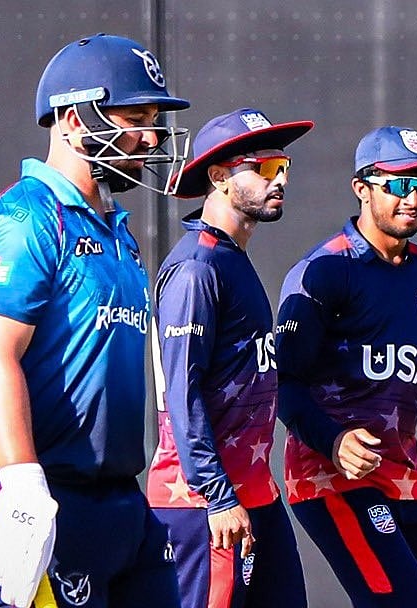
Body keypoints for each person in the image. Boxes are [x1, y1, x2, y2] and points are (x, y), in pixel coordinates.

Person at [0, 34, 190, 608]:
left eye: (153, 118)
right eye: (134, 117)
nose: (151, 135)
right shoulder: (25, 218)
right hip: (42, 499)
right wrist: (21, 484)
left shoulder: (117, 230)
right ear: (71, 118)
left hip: (120, 504)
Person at [275, 126, 417, 607]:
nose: (413, 199)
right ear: (362, 187)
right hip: (334, 477)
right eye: (398, 184)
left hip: (405, 476)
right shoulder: (326, 270)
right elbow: (284, 382)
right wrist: (334, 441)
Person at [145, 108, 312, 608]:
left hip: (256, 494)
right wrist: (218, 495)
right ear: (219, 176)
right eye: (262, 168)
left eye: (282, 167)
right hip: (205, 504)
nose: (278, 179)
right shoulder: (197, 268)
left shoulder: (231, 258)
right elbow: (181, 391)